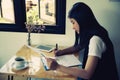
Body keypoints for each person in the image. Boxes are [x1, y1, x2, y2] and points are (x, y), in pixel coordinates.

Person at [46, 2, 119, 80]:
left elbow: (87, 74)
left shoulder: (95, 40)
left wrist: (57, 66)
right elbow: (79, 46)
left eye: (73, 23)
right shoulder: (96, 31)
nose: (73, 27)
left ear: (82, 21)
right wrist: (61, 52)